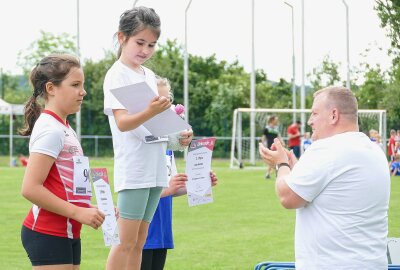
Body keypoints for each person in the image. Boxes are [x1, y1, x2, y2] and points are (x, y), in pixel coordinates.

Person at [259, 86, 390, 269]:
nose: (310, 121)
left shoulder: (327, 149)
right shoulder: (374, 150)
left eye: (314, 113)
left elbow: (287, 196)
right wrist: (296, 168)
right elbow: (331, 188)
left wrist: (282, 164)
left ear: (333, 115)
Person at [103, 7, 193, 270]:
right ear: (122, 37)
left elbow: (160, 126)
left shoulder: (149, 75)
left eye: (151, 44)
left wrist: (181, 134)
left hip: (155, 169)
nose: (145, 50)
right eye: (140, 42)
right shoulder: (117, 74)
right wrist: (151, 111)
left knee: (140, 242)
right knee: (125, 242)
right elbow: (123, 123)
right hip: (134, 168)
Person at [19, 54, 105, 269]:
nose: (83, 91)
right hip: (48, 231)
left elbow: (65, 186)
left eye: (82, 85)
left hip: (68, 230)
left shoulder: (65, 128)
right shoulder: (51, 130)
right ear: (51, 88)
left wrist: (92, 208)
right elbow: (30, 189)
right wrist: (78, 212)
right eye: (75, 85)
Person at [140, 76, 216, 270]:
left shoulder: (167, 146)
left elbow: (172, 187)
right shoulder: (140, 141)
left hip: (162, 227)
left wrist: (199, 182)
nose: (166, 106)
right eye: (160, 99)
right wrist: (167, 189)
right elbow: (137, 188)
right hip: (143, 228)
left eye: (168, 101)